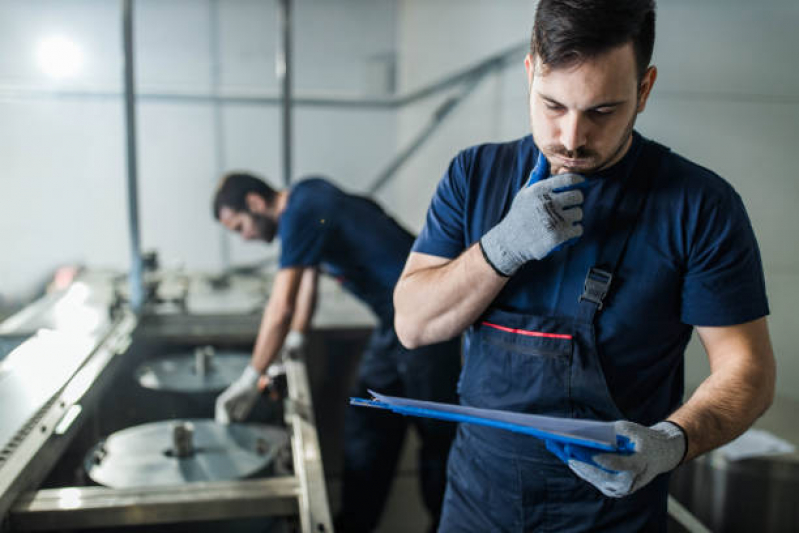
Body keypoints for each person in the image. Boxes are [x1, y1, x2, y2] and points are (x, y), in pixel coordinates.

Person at [392, 0, 775, 531]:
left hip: (609, 517)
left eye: (601, 111)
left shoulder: (698, 206)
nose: (572, 139)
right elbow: (413, 323)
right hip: (479, 504)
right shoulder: (473, 175)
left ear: (643, 90)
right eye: (553, 105)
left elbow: (748, 371)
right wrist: (500, 249)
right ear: (530, 72)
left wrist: (671, 443)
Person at [212, 173, 461, 532]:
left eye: (240, 227)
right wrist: (297, 337)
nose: (245, 238)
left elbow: (280, 305)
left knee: (437, 438)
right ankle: (354, 525)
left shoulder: (301, 210)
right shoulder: (308, 200)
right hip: (396, 324)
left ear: (254, 203)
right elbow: (306, 283)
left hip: (427, 322)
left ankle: (445, 525)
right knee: (368, 422)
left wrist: (251, 377)